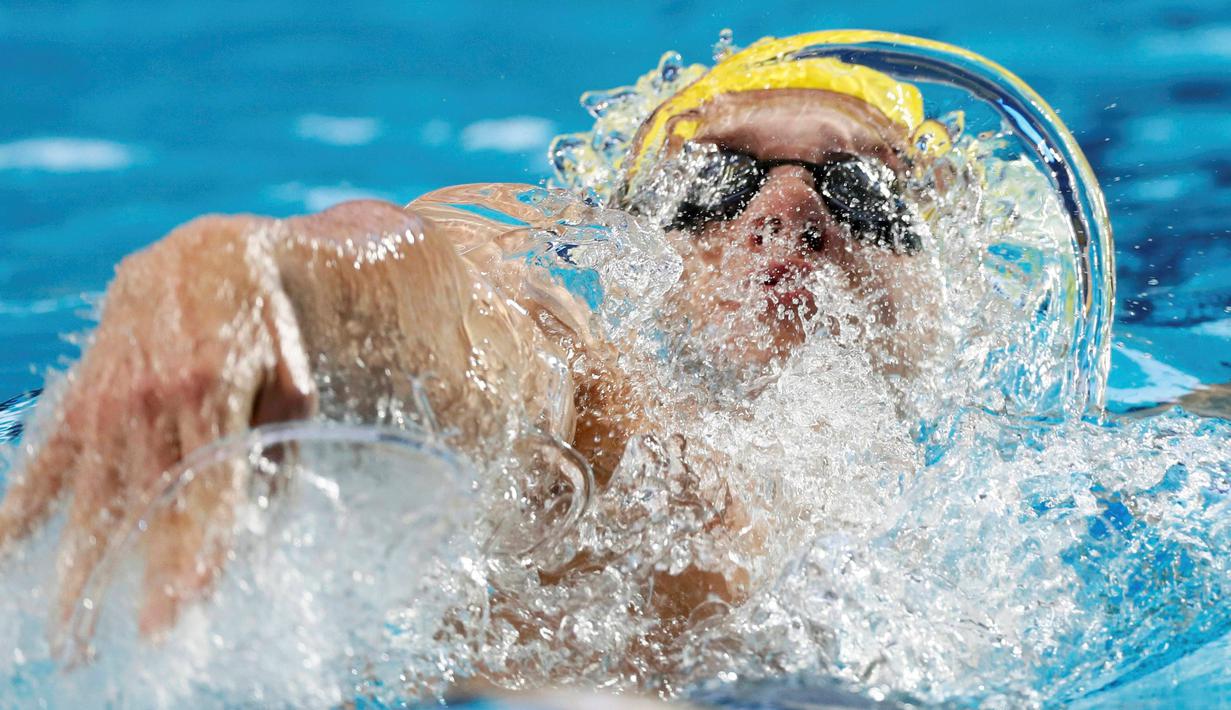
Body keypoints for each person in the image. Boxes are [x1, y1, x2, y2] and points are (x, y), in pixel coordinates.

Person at [0, 33, 942, 645]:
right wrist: (243, 279)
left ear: (952, 280)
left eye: (867, 194)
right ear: (616, 245)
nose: (787, 214)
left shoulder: (1031, 492)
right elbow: (474, 300)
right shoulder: (619, 454)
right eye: (711, 186)